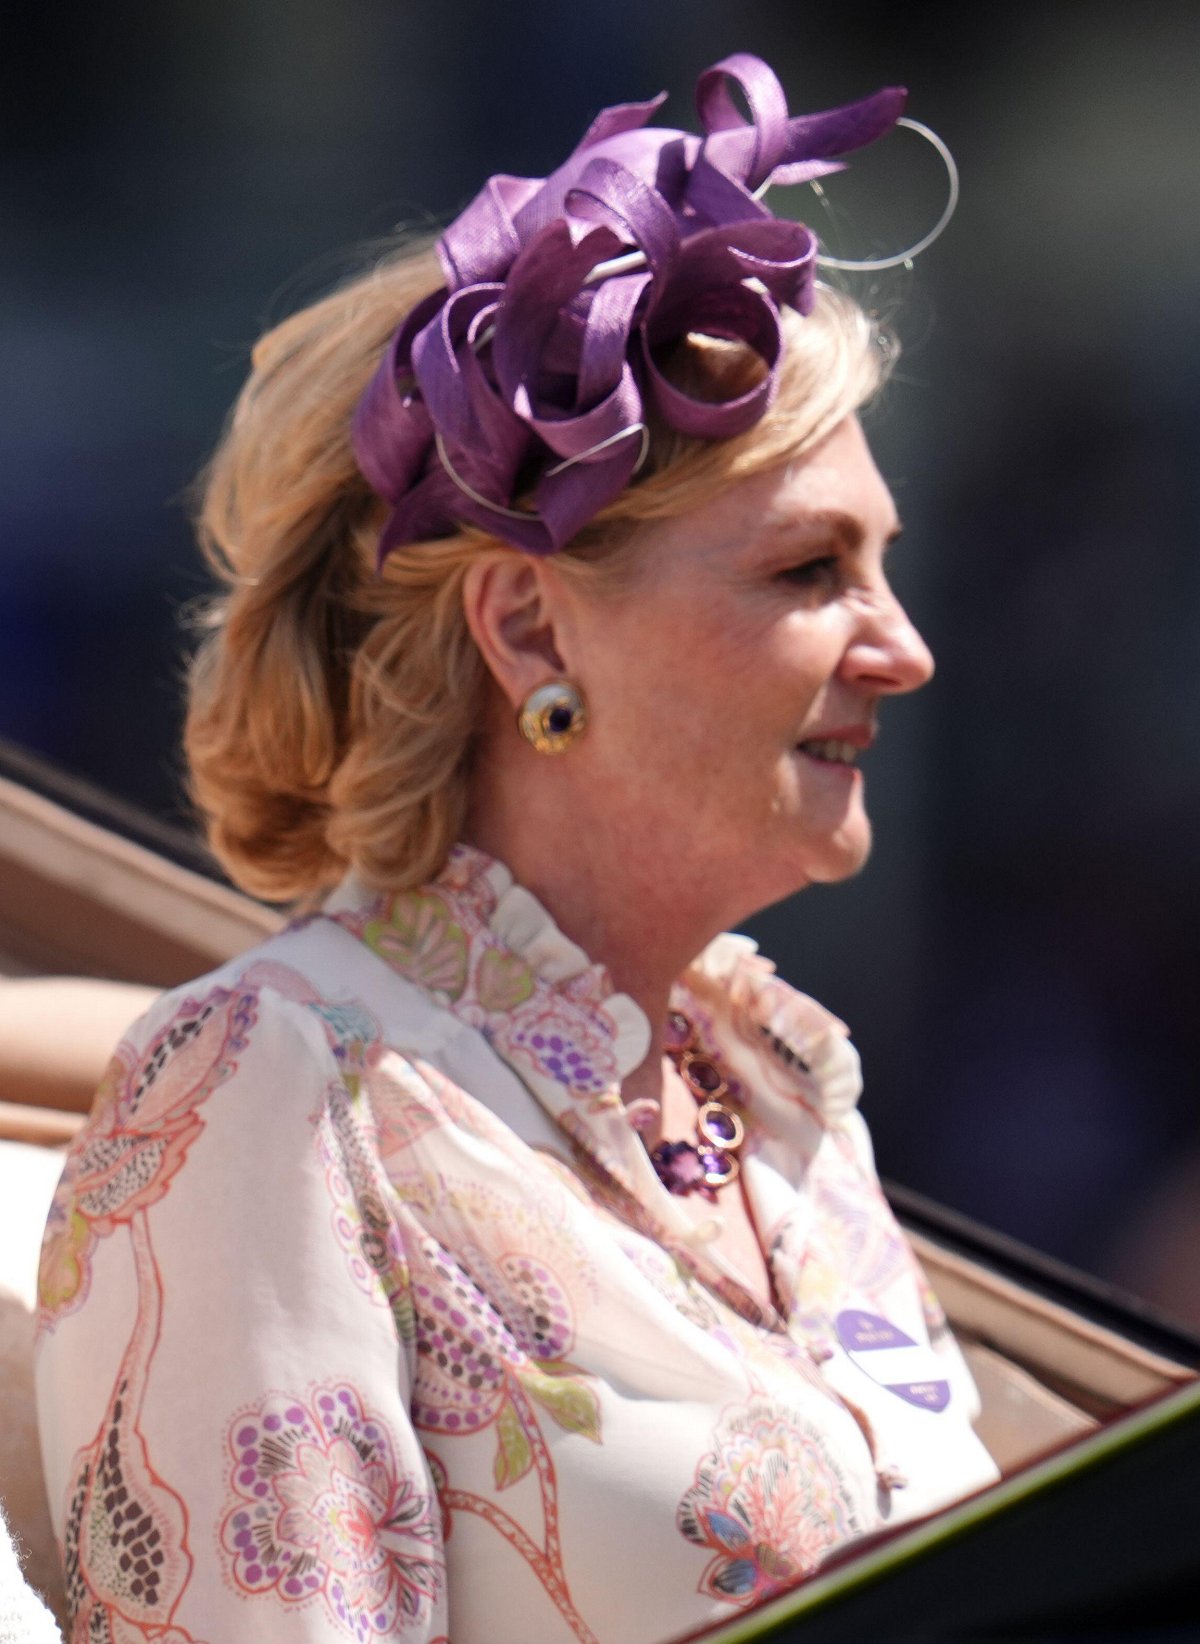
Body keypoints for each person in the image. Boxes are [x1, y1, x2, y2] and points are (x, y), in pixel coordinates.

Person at [35, 53, 999, 1644]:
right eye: (808, 572)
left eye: (880, 566)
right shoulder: (275, 1089)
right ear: (532, 627)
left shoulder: (771, 1090)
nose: (904, 650)